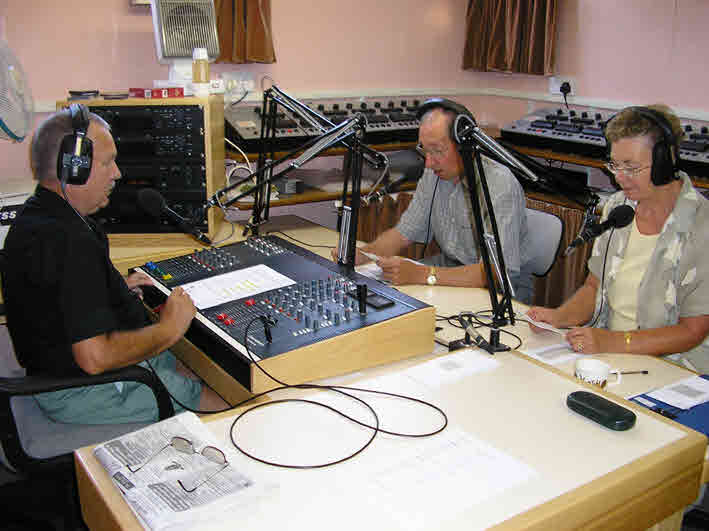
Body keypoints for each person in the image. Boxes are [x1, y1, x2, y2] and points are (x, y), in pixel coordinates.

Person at [1, 105, 227, 424]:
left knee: (196, 367)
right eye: (107, 162)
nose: (117, 173)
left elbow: (62, 291)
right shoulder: (69, 239)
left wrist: (112, 287)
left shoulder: (41, 214)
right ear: (73, 168)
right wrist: (169, 329)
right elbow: (95, 358)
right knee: (232, 404)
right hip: (86, 389)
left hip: (65, 372)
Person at [527, 104, 709, 372]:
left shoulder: (701, 226)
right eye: (615, 164)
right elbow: (593, 288)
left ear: (664, 162)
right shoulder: (618, 207)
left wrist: (614, 342)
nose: (619, 178)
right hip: (612, 357)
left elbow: (693, 331)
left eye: (632, 167)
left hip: (673, 370)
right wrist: (558, 317)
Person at [333, 99, 533, 303]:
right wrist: (364, 255)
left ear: (466, 145)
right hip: (448, 268)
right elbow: (404, 233)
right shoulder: (434, 173)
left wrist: (422, 274)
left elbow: (494, 272)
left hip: (502, 289)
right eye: (425, 150)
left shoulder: (500, 184)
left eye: (437, 150)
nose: (429, 162)